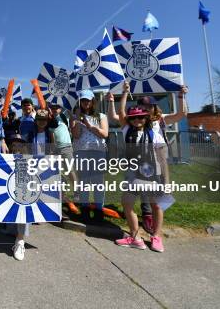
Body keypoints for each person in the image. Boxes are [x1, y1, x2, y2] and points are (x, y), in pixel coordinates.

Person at [107, 82, 188, 233]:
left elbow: (181, 115)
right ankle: (147, 214)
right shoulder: (134, 123)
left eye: (150, 107)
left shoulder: (160, 119)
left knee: (162, 186)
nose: (147, 109)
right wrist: (122, 94)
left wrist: (181, 96)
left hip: (158, 153)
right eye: (143, 107)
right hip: (139, 156)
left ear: (154, 107)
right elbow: (118, 116)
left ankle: (155, 216)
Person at [114, 107, 166, 252]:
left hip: (152, 174)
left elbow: (162, 159)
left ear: (146, 118)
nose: (137, 120)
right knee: (127, 203)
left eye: (141, 117)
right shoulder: (127, 131)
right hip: (133, 173)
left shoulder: (154, 134)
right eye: (133, 118)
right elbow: (121, 115)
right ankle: (136, 238)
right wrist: (123, 94)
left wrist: (166, 180)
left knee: (156, 206)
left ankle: (156, 236)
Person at [70, 89, 108, 223]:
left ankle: (99, 210)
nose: (86, 103)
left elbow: (104, 134)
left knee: (98, 182)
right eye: (83, 100)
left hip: (98, 151)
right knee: (84, 182)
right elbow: (75, 135)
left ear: (93, 101)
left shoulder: (101, 116)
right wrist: (76, 119)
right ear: (79, 102)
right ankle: (85, 209)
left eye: (88, 100)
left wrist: (89, 125)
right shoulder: (74, 116)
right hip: (81, 151)